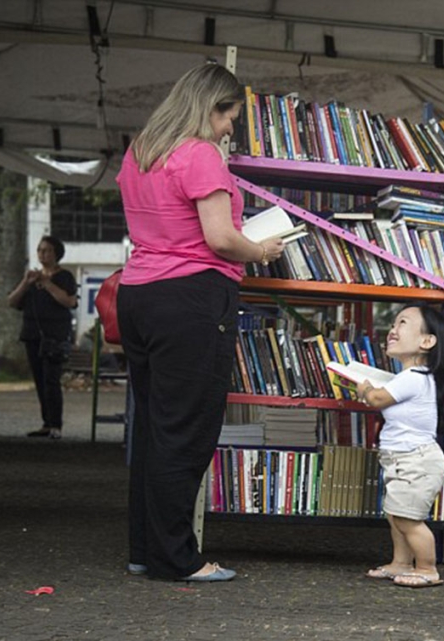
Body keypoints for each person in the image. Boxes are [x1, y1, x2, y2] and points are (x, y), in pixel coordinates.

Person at [116, 64, 284, 583]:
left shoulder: (141, 151)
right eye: (229, 117)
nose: (230, 129)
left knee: (153, 427)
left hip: (138, 294)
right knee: (186, 431)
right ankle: (176, 559)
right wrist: (260, 250)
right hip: (191, 297)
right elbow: (219, 238)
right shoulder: (200, 153)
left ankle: (146, 549)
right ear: (210, 106)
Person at [359, 304, 444, 588]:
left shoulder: (414, 377)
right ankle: (401, 562)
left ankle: (427, 568)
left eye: (402, 323)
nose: (392, 329)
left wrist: (364, 388)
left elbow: (376, 399)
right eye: (392, 324)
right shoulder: (410, 377)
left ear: (427, 341)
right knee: (396, 515)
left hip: (416, 461)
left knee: (407, 519)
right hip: (404, 460)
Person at [7, 235, 78, 439]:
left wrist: (47, 283)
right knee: (39, 379)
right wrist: (26, 282)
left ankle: (55, 424)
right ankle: (46, 422)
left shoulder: (64, 277)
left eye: (47, 250)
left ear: (56, 254)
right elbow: (12, 302)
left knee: (51, 379)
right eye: (40, 250)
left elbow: (69, 301)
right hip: (32, 334)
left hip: (55, 335)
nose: (42, 254)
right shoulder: (32, 278)